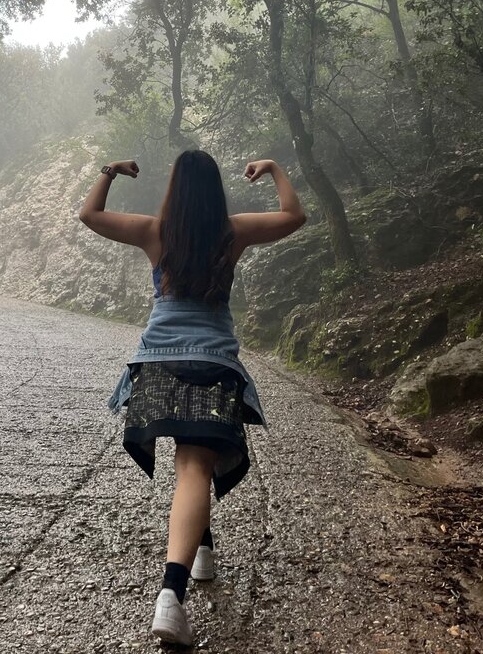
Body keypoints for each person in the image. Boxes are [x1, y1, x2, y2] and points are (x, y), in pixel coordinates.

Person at [78, 150, 306, 646]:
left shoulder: (153, 232)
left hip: (157, 363)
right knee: (195, 467)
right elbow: (294, 215)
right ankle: (171, 596)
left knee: (189, 465)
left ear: (175, 189)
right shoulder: (233, 231)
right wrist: (273, 169)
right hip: (212, 363)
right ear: (214, 191)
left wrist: (110, 171)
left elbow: (89, 214)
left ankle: (202, 550)